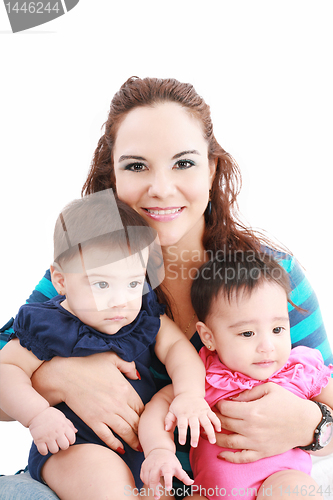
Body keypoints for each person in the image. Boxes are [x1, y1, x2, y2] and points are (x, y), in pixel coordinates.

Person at [0, 77, 332, 499]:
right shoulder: (86, 268)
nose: (160, 188)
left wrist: (312, 425)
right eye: (136, 166)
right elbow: (6, 374)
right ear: (113, 176)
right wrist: (60, 377)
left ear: (211, 170)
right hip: (90, 471)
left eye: (184, 163)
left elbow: (323, 394)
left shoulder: (267, 276)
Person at [0, 191, 220, 499]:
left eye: (132, 283)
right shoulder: (46, 322)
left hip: (144, 448)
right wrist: (37, 415)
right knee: (108, 485)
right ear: (61, 281)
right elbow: (6, 370)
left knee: (166, 488)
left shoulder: (142, 314)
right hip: (75, 446)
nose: (120, 300)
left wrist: (190, 395)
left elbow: (177, 351)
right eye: (102, 284)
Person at [138, 252, 333, 499]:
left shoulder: (299, 369)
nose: (267, 346)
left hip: (281, 479)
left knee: (292, 491)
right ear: (208, 337)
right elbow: (160, 407)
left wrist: (311, 424)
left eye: (277, 329)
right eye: (247, 333)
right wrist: (159, 449)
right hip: (209, 491)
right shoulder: (203, 378)